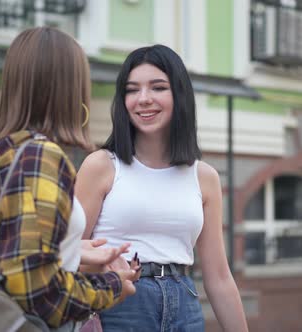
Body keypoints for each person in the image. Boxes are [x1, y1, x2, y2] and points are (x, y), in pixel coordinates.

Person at [0, 26, 138, 331]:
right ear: (70, 89)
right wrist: (111, 285)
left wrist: (70, 250)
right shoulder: (40, 157)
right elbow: (40, 293)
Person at [75, 44, 249, 332]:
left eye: (157, 87)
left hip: (185, 305)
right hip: (119, 303)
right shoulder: (101, 165)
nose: (143, 99)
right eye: (132, 90)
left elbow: (218, 276)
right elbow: (67, 256)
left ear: (179, 95)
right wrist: (104, 266)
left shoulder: (204, 176)